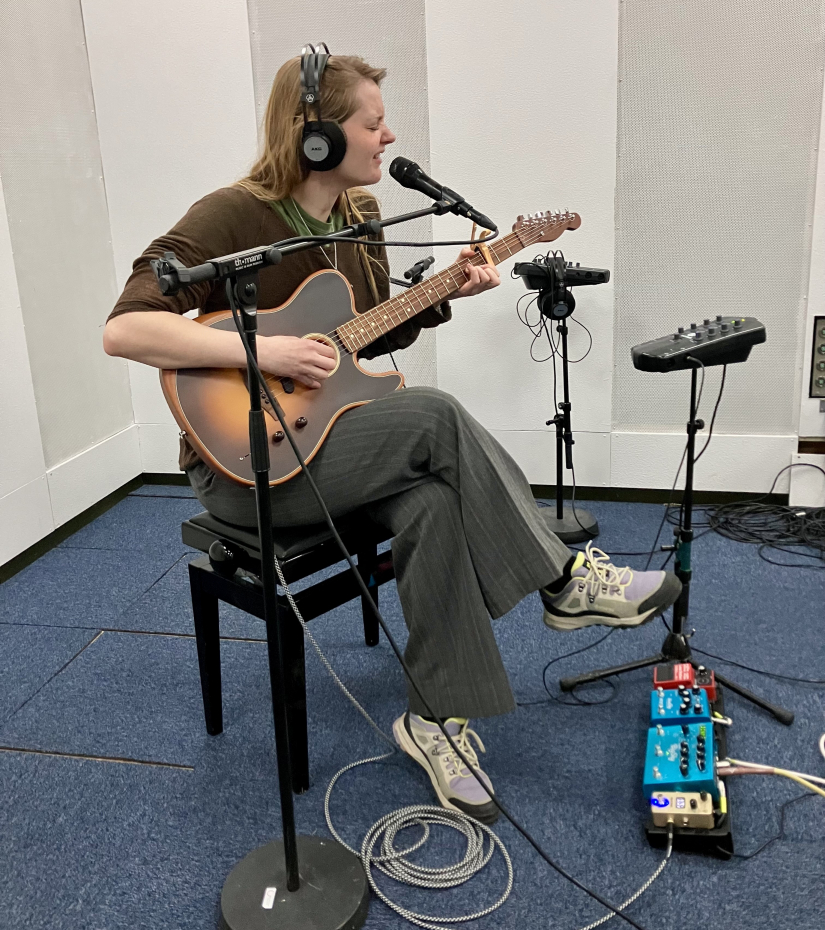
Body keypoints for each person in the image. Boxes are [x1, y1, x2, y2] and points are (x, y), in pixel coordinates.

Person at [103, 52, 681, 824]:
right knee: (433, 413)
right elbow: (124, 330)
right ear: (313, 136)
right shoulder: (232, 215)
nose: (389, 136)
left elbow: (363, 342)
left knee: (432, 501)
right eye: (372, 123)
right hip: (244, 468)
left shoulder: (362, 216)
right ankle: (564, 580)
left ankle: (434, 719)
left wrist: (447, 292)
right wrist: (263, 352)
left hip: (330, 444)